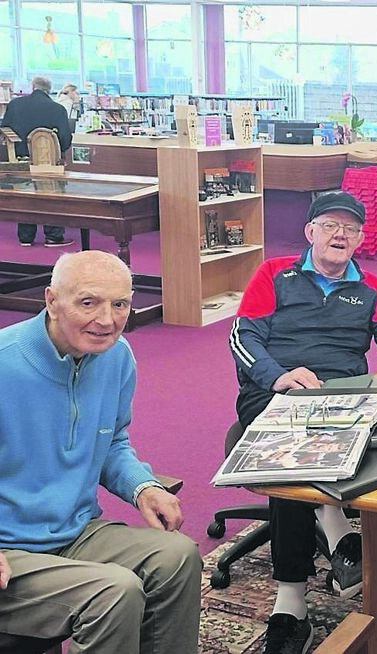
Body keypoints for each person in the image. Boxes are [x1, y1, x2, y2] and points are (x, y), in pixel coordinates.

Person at [228, 191, 377, 654]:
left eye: (350, 228)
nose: (340, 235)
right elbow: (242, 336)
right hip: (275, 393)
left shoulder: (371, 289)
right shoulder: (274, 274)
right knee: (290, 457)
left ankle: (336, 530)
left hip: (342, 398)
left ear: (361, 239)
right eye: (329, 225)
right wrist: (279, 377)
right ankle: (293, 602)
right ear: (310, 233)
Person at [0, 250, 201, 653]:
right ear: (52, 301)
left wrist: (143, 487)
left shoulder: (116, 357)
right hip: (10, 549)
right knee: (115, 590)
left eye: (120, 304)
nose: (107, 320)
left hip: (74, 531)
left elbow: (111, 441)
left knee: (178, 555)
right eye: (88, 302)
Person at [1, 75, 74, 247]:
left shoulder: (15, 105)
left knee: (25, 196)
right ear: (50, 90)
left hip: (20, 158)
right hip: (48, 160)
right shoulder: (58, 109)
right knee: (52, 196)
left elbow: (5, 128)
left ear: (33, 87)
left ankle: (26, 237)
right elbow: (65, 138)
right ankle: (53, 236)